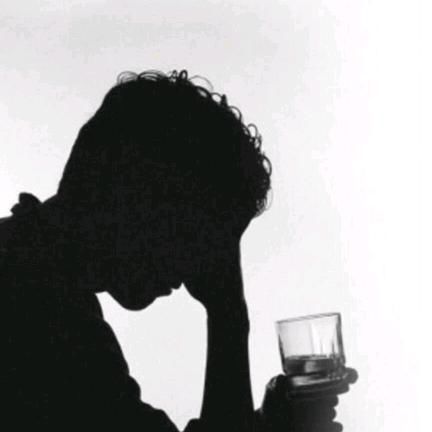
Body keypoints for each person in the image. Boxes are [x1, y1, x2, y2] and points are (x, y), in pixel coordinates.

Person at [0, 70, 356, 431]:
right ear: (139, 197)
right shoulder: (40, 313)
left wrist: (266, 425)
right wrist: (228, 313)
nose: (198, 265)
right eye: (198, 235)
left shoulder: (35, 275)